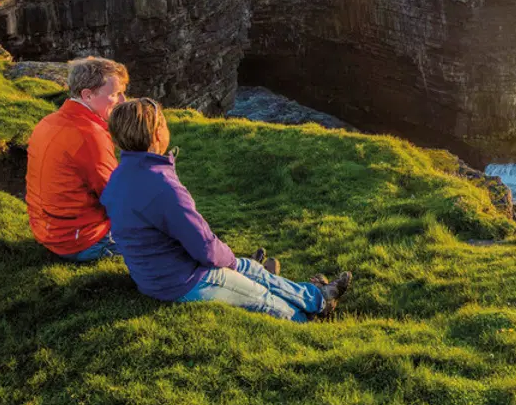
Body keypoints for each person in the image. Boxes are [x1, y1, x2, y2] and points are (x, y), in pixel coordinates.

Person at [101, 98, 351, 320]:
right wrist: (229, 262)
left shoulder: (119, 177)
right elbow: (205, 248)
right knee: (266, 300)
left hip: (155, 274)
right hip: (183, 281)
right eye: (164, 124)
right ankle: (308, 317)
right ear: (157, 135)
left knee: (251, 269)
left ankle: (319, 297)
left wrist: (235, 264)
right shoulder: (162, 186)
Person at [26, 56, 128, 261]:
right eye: (115, 94)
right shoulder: (90, 135)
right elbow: (116, 198)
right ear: (87, 95)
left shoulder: (49, 121)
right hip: (81, 240)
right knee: (167, 246)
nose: (122, 101)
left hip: (48, 231)